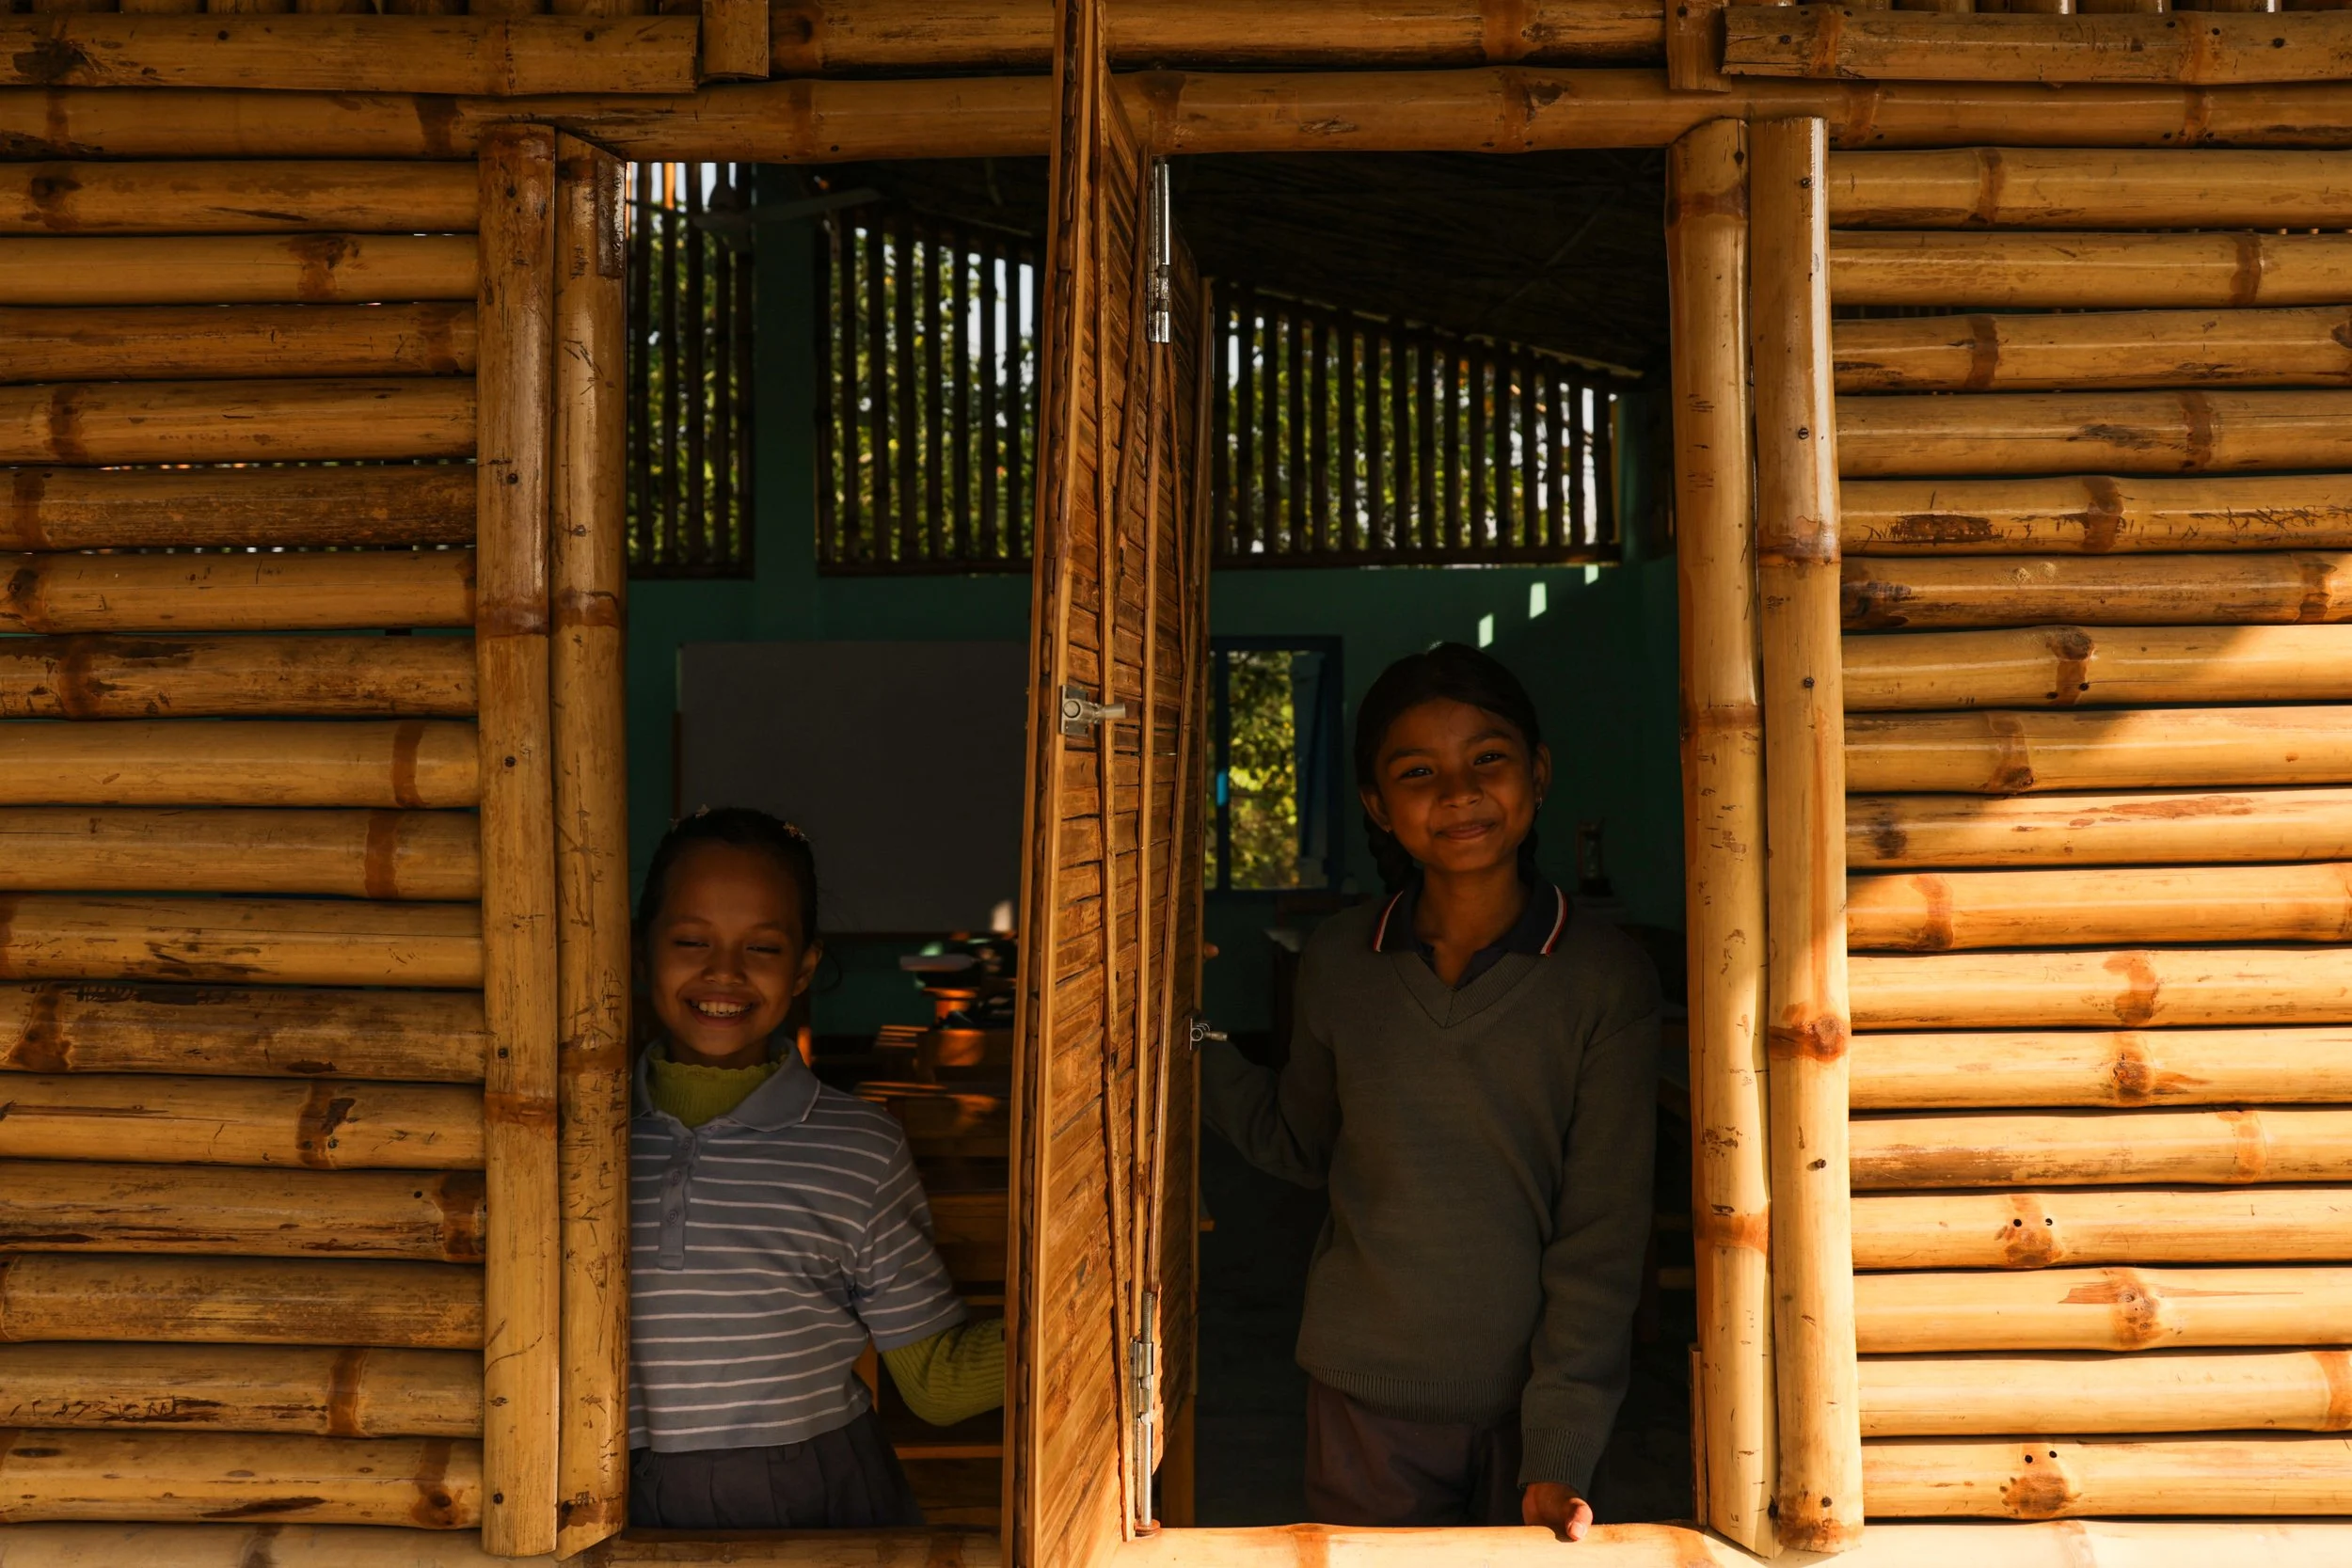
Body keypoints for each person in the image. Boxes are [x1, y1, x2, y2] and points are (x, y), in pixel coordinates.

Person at [1200, 643, 1660, 1541]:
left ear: (1539, 772)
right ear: (1377, 803)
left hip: (1530, 1409)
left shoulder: (1604, 978)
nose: (1458, 792)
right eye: (1419, 772)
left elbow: (1602, 1232)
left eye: (1487, 757)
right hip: (1362, 1399)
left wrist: (1559, 1445)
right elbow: (1301, 1141)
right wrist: (1187, 1045)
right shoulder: (1340, 959)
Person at [627, 807, 1004, 1529]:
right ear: (642, 949)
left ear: (802, 967)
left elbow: (934, 1384)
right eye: (690, 939)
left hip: (820, 1500)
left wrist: (1093, 1320)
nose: (724, 972)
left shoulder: (858, 1146)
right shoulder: (583, 1138)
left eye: (761, 947)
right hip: (624, 1500)